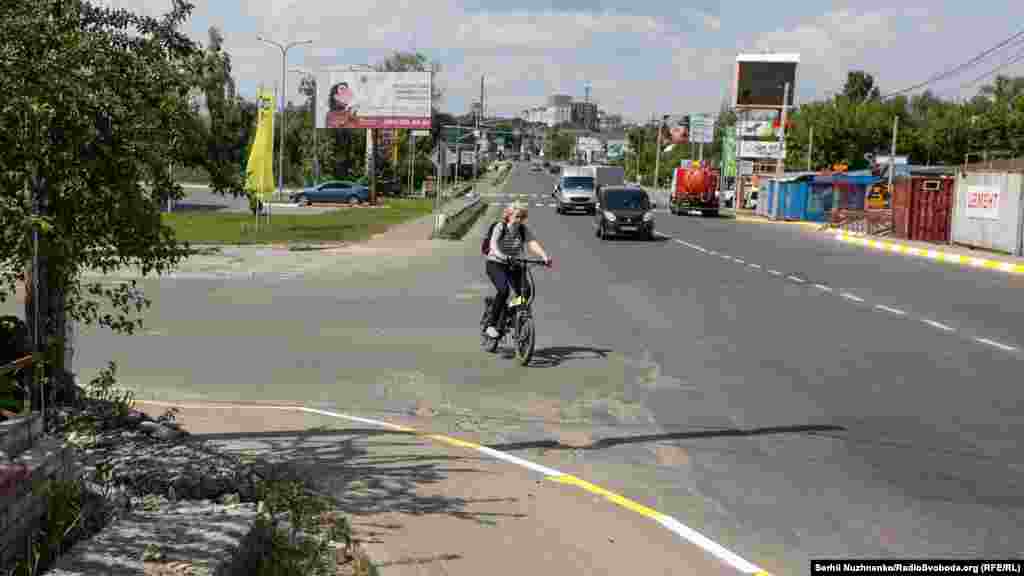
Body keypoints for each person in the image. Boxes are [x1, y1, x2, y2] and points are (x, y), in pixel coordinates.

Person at [484, 203, 550, 339]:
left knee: (526, 292)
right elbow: (493, 246)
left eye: (522, 217)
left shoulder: (522, 229)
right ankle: (491, 325)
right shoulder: (500, 227)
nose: (519, 220)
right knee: (504, 291)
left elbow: (532, 243)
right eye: (517, 216)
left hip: (513, 264)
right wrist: (503, 256)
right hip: (495, 263)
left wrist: (544, 256)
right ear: (508, 216)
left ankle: (509, 309)